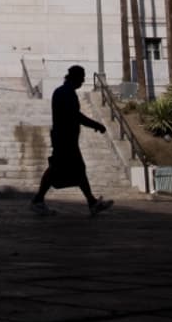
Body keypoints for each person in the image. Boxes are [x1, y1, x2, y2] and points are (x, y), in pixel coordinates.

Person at [30, 65, 114, 216]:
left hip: (65, 138)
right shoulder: (66, 93)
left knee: (72, 170)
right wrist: (96, 125)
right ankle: (39, 200)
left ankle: (91, 202)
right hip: (65, 139)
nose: (83, 81)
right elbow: (75, 115)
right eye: (81, 78)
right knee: (62, 170)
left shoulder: (63, 92)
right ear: (75, 77)